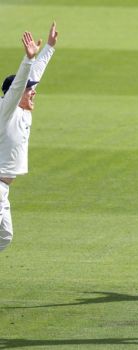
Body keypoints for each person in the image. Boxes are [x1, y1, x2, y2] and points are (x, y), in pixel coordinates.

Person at [0, 23, 58, 253]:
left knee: (4, 236)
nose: (34, 91)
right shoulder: (7, 110)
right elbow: (19, 87)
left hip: (4, 188)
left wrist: (50, 48)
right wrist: (28, 59)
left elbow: (33, 77)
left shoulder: (23, 110)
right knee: (4, 235)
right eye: (29, 89)